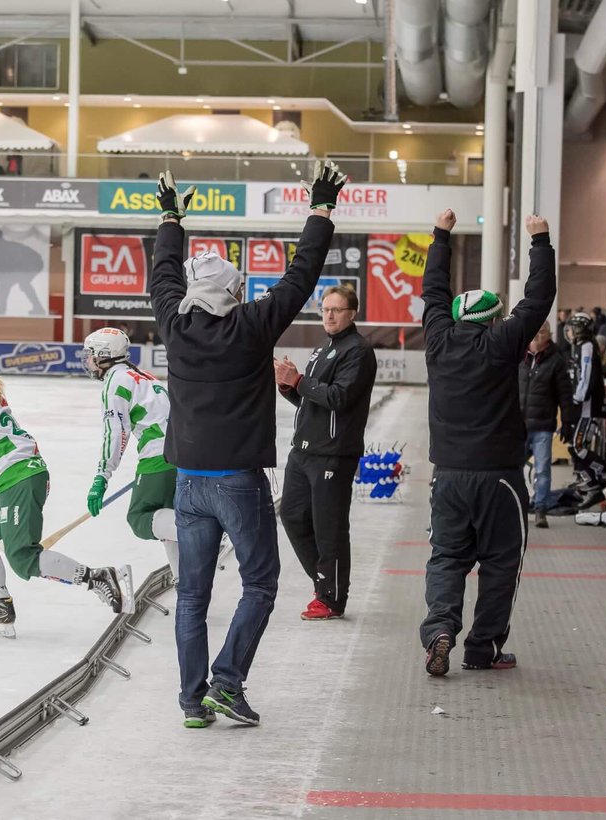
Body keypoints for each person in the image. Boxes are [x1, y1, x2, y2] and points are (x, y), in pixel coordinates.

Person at [150, 161, 348, 727]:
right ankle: (227, 683)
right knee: (260, 582)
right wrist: (320, 209)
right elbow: (301, 276)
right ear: (233, 293)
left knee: (191, 596)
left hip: (189, 482)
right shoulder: (252, 326)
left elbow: (164, 274)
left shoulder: (174, 323)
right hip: (239, 480)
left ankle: (192, 702)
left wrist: (170, 218)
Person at [0, 344, 133, 639]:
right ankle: (1, 604)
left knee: (22, 559)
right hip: (9, 481)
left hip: (18, 478)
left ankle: (99, 578)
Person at [418, 210, 556, 677]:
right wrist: (540, 242)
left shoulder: (437, 340)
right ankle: (483, 649)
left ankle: (439, 629)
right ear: (495, 319)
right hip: (499, 477)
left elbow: (432, 291)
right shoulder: (503, 343)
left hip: (448, 476)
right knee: (500, 563)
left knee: (447, 557)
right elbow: (539, 299)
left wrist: (440, 235)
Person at [274, 284, 377, 620]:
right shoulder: (322, 350)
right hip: (303, 450)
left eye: (336, 310)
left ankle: (332, 597)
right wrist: (289, 386)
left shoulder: (358, 351)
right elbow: (311, 401)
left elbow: (338, 397)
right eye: (325, 310)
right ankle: (323, 584)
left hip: (333, 453)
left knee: (328, 526)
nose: (329, 316)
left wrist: (300, 379)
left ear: (352, 313)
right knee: (292, 515)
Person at [81, 327, 180, 580]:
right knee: (166, 517)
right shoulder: (142, 375)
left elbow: (115, 433)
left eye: (91, 354)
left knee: (140, 518)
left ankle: (205, 528)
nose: (88, 361)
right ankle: (184, 579)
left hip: (159, 455)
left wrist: (102, 476)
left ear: (104, 355)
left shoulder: (115, 382)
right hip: (182, 452)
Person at [519, 322, 574, 529]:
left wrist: (567, 421)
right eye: (534, 332)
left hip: (542, 425)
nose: (537, 336)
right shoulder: (519, 358)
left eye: (542, 332)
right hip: (518, 425)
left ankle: (540, 508)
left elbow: (565, 395)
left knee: (542, 470)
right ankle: (519, 505)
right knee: (514, 468)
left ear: (548, 336)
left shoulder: (556, 361)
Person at [563, 312, 606, 508]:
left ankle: (604, 472)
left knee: (577, 447)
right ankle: (592, 482)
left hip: (588, 407)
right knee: (574, 448)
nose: (569, 332)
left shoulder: (587, 347)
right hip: (581, 407)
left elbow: (587, 376)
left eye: (573, 327)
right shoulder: (578, 347)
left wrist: (577, 398)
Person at [0, 228, 46, 316]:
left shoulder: (5, 248)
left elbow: (1, 267)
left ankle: (39, 308)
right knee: (5, 283)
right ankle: (2, 307)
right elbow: (0, 267)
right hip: (23, 266)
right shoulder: (1, 248)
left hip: (33, 264)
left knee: (23, 283)